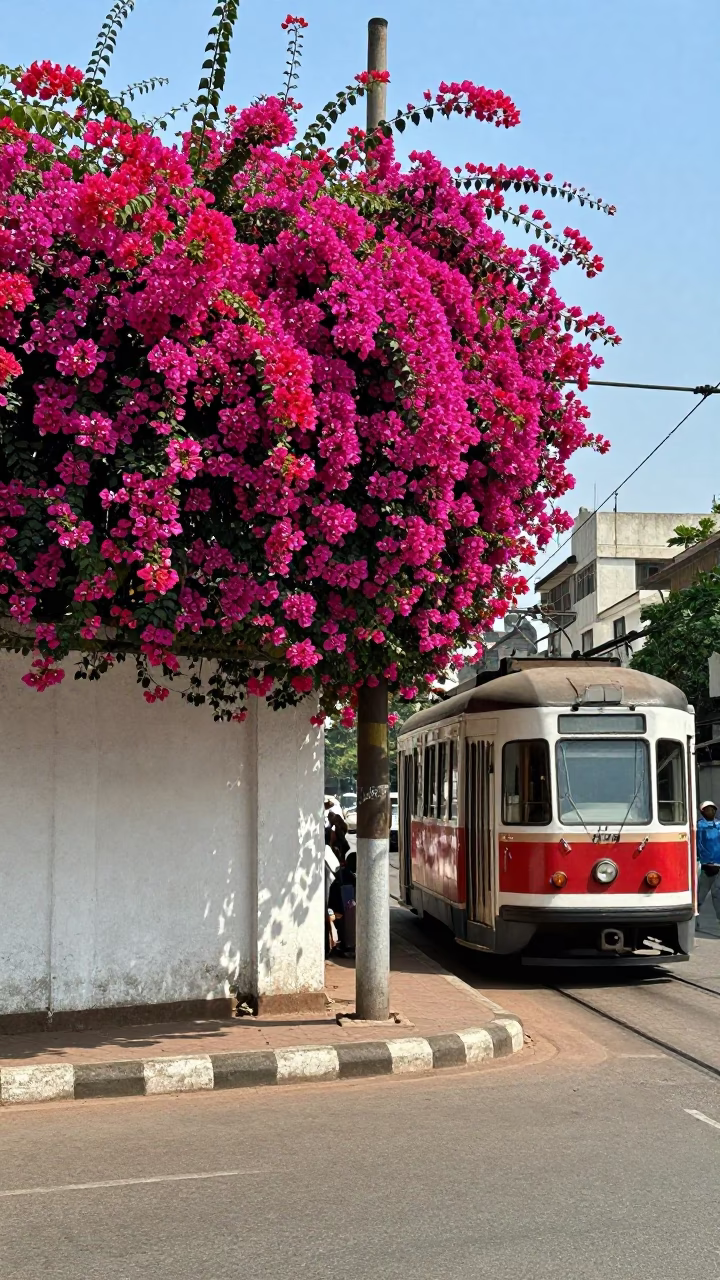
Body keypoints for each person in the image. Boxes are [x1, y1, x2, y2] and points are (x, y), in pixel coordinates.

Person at [696, 799, 720, 927]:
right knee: (700, 896)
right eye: (708, 809)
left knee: (718, 894)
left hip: (718, 865)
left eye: (713, 808)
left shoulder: (719, 825)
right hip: (705, 866)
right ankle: (694, 920)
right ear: (703, 811)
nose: (711, 811)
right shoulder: (699, 826)